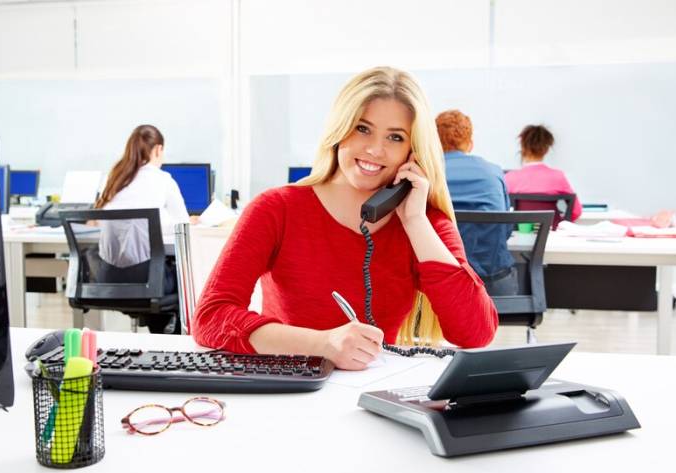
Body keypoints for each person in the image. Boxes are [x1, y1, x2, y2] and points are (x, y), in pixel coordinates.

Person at [193, 67, 497, 370]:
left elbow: (476, 333)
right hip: (288, 388)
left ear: (412, 152)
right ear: (340, 130)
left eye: (395, 137)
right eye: (362, 128)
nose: (375, 149)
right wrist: (323, 344)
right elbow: (210, 318)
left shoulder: (423, 221)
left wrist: (415, 221)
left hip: (375, 397)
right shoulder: (276, 208)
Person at [93, 124, 190, 333]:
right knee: (187, 278)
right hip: (149, 282)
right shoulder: (163, 180)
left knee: (156, 268)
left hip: (109, 280)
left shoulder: (114, 180)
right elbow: (184, 226)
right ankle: (174, 343)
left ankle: (158, 333)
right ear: (158, 150)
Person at [436, 110, 516, 296]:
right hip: (493, 285)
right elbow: (505, 230)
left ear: (434, 142)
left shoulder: (426, 174)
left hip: (442, 286)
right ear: (470, 144)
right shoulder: (494, 172)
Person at [504, 125, 583, 222]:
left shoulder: (510, 178)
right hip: (552, 233)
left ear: (523, 147)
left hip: (520, 232)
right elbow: (576, 211)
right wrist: (559, 224)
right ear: (546, 149)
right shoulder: (558, 177)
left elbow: (501, 210)